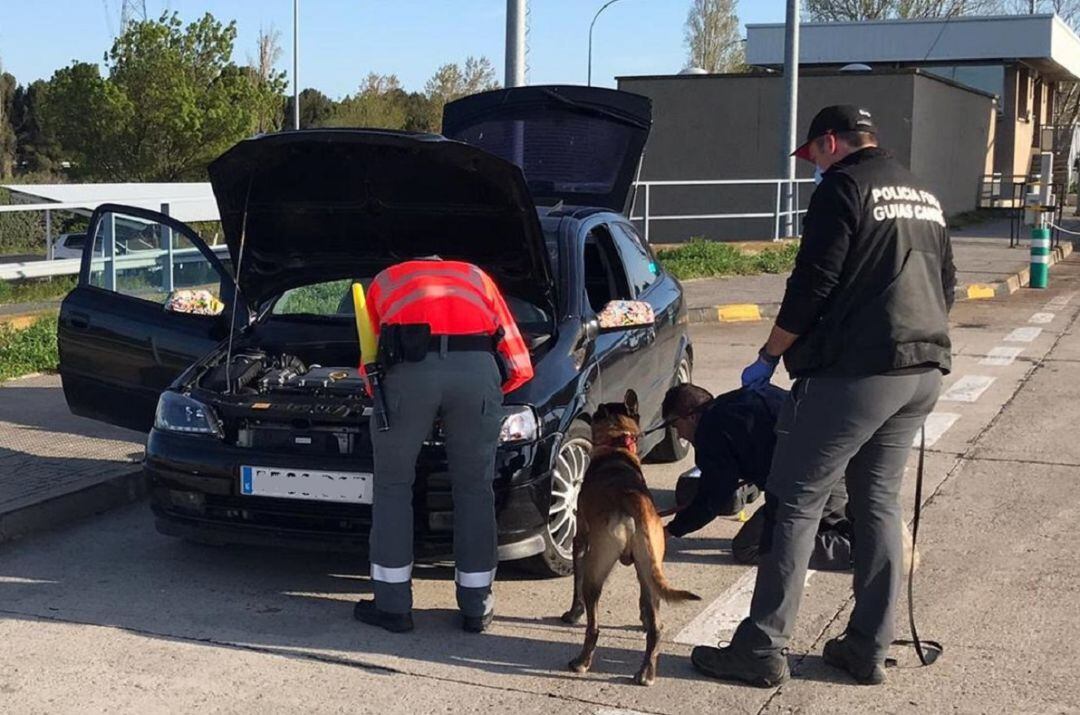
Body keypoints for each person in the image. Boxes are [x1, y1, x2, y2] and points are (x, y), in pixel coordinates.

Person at [691, 105, 955, 687]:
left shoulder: (843, 190)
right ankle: (867, 646)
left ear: (831, 142)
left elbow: (813, 283)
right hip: (922, 371)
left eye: (812, 155)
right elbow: (947, 287)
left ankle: (761, 647)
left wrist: (769, 355)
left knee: (795, 502)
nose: (813, 166)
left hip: (853, 377)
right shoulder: (924, 195)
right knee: (878, 503)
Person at [353, 258, 533, 634]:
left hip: (408, 375)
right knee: (474, 489)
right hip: (476, 373)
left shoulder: (385, 279)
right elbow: (518, 363)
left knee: (392, 488)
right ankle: (475, 608)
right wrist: (477, 401)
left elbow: (370, 356)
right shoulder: (476, 276)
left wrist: (401, 399)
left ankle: (393, 607)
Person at [661, 384, 853, 572]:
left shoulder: (711, 431)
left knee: (748, 547)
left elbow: (712, 500)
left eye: (676, 425)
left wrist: (668, 532)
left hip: (811, 488)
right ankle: (854, 529)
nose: (679, 435)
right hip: (843, 472)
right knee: (819, 519)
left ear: (691, 417)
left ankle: (853, 551)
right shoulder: (742, 399)